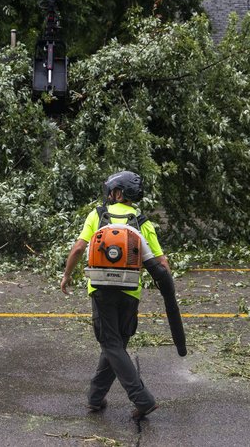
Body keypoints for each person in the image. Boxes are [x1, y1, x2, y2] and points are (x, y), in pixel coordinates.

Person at [60, 170, 169, 420]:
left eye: (112, 191)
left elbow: (79, 248)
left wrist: (67, 274)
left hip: (101, 291)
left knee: (111, 344)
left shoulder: (98, 217)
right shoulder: (143, 222)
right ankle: (95, 399)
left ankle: (143, 399)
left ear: (117, 193)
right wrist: (168, 290)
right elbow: (161, 262)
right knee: (115, 344)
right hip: (130, 292)